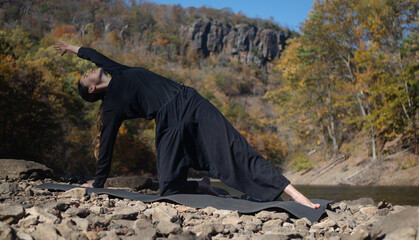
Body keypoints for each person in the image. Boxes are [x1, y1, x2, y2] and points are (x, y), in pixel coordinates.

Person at [54, 40, 320, 209]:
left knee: (235, 147)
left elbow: (92, 54)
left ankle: (296, 195)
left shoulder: (118, 70)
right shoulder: (112, 106)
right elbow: (107, 145)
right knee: (168, 187)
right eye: (85, 77)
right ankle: (200, 186)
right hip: (169, 122)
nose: (89, 71)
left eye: (87, 70)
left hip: (189, 99)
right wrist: (98, 183)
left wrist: (69, 47)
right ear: (91, 91)